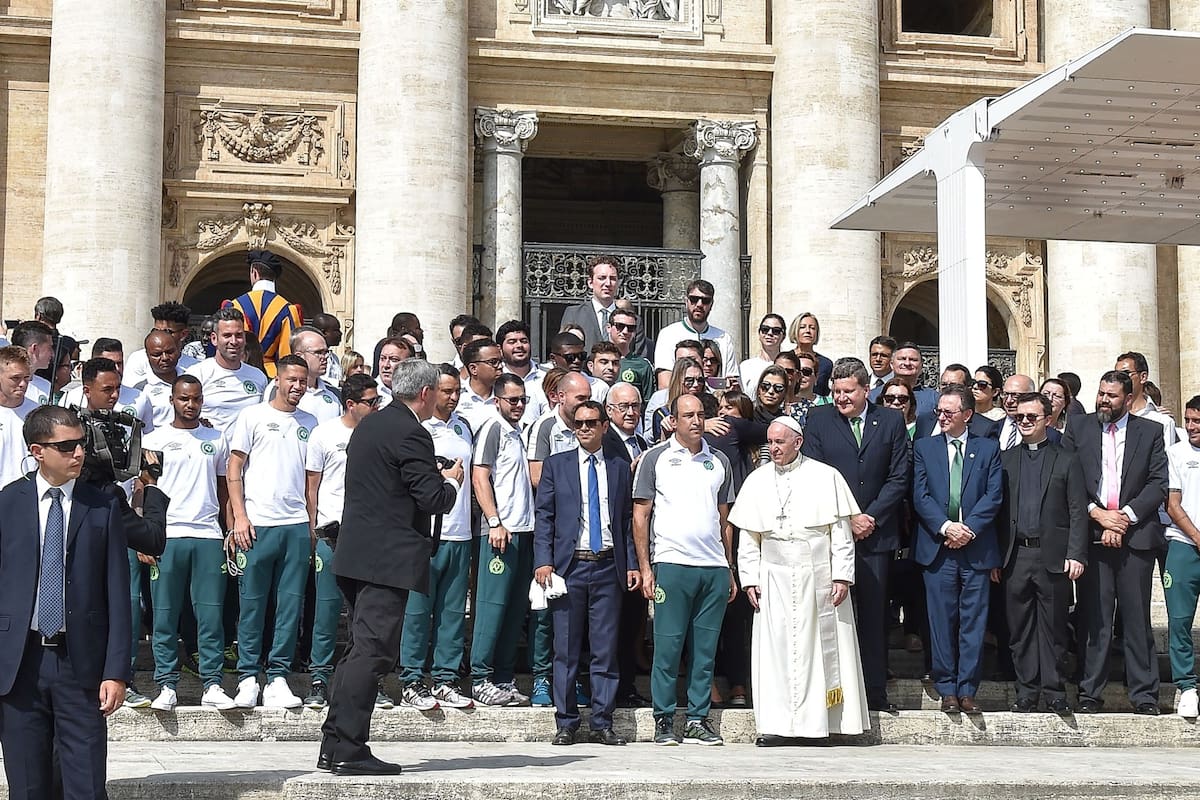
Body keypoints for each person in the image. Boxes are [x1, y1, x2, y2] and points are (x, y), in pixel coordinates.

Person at [319, 359, 462, 776]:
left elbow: (392, 482)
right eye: (437, 390)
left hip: (357, 551)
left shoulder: (371, 424)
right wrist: (450, 480)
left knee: (358, 650)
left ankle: (334, 743)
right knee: (374, 651)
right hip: (384, 557)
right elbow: (431, 498)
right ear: (425, 394)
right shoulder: (411, 432)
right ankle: (348, 747)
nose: (439, 397)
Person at [0, 405, 129, 800]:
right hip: (19, 666)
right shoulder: (8, 502)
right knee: (27, 786)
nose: (79, 453)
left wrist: (116, 670)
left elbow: (119, 593)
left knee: (86, 785)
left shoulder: (101, 505)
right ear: (38, 451)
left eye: (82, 444)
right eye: (67, 446)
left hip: (81, 665)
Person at [730, 417, 869, 742]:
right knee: (776, 654)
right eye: (770, 442)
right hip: (773, 578)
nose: (773, 448)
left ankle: (821, 724)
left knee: (817, 652)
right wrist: (750, 579)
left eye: (780, 442)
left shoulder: (826, 476)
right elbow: (749, 538)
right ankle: (777, 726)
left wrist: (841, 576)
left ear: (798, 442)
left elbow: (841, 534)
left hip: (817, 575)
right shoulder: (758, 481)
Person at [801, 358, 910, 713]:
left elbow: (898, 477)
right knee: (831, 616)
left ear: (866, 389)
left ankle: (874, 693)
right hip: (833, 537)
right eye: (835, 392)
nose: (841, 398)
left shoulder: (891, 420)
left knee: (875, 617)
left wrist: (871, 517)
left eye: (848, 391)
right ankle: (833, 697)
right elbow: (814, 475)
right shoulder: (819, 420)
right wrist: (848, 519)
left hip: (876, 538)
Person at [1062, 370, 1168, 715]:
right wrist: (1097, 513)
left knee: (1136, 618)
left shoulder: (1150, 431)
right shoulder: (1079, 428)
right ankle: (1090, 691)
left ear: (1128, 396)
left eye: (1112, 395)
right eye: (1101, 393)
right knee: (1095, 618)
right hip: (1092, 536)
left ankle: (1144, 695)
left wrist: (1123, 517)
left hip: (1135, 537)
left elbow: (1158, 483)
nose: (1104, 400)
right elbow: (1068, 477)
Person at [633, 392, 735, 746]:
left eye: (700, 414)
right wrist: (646, 567)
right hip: (672, 564)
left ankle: (697, 719)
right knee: (668, 646)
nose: (695, 420)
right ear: (672, 421)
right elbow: (640, 515)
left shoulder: (719, 459)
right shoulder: (656, 459)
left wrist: (730, 567)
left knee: (704, 650)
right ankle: (663, 719)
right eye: (687, 415)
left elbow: (725, 519)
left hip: (713, 567)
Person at [534, 400, 639, 746]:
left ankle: (602, 720)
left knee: (605, 648)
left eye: (591, 423)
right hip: (569, 566)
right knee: (565, 648)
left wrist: (633, 564)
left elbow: (625, 520)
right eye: (578, 423)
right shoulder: (556, 465)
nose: (584, 429)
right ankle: (566, 722)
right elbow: (544, 516)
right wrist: (542, 561)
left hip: (609, 564)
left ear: (604, 426)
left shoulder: (619, 466)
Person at [226, 355, 319, 710]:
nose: (297, 387)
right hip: (258, 523)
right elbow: (235, 468)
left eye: (303, 381)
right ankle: (248, 675)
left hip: (295, 524)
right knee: (252, 603)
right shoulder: (253, 416)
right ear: (278, 379)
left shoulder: (310, 422)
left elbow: (313, 480)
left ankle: (278, 675)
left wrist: (310, 527)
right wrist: (239, 517)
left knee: (289, 604)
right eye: (291, 379)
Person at [141, 375, 236, 712]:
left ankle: (212, 683)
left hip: (208, 536)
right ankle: (166, 684)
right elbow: (144, 490)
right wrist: (143, 538)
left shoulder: (216, 438)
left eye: (196, 398)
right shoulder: (155, 439)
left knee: (210, 616)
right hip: (167, 537)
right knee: (165, 615)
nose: (191, 405)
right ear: (172, 400)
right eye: (184, 399)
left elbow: (225, 489)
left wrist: (232, 530)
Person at [911, 385, 1003, 714]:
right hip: (938, 547)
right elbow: (920, 495)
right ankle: (946, 687)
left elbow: (993, 495)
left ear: (967, 414)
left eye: (950, 412)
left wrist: (969, 529)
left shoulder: (988, 448)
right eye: (940, 411)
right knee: (940, 621)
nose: (943, 416)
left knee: (973, 623)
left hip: (975, 548)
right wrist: (946, 527)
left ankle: (968, 689)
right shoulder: (924, 447)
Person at [997, 392, 1088, 714]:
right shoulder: (1005, 459)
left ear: (1047, 420)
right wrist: (996, 558)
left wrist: (1077, 554)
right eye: (1018, 417)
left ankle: (1054, 690)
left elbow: (1078, 510)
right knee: (1019, 630)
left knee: (1054, 629)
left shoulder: (1067, 458)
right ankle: (1026, 691)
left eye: (1031, 417)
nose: (1023, 422)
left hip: (1054, 558)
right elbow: (998, 512)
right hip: (1016, 557)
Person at [396, 366, 477, 711]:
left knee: (452, 611)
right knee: (417, 611)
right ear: (430, 392)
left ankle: (445, 678)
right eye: (446, 391)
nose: (453, 397)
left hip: (460, 531)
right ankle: (411, 679)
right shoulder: (417, 428)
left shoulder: (464, 426)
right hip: (425, 533)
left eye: (457, 390)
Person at [302, 373, 379, 710]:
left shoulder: (378, 435)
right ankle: (319, 677)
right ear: (351, 404)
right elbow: (312, 487)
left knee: (364, 613)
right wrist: (312, 530)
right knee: (327, 609)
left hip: (369, 534)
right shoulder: (325, 434)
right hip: (332, 531)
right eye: (370, 402)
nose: (376, 407)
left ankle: (363, 679)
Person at [470, 373, 537, 707]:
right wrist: (494, 520)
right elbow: (480, 476)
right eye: (513, 400)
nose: (519, 405)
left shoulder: (519, 432)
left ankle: (503, 677)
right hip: (499, 532)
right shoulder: (492, 428)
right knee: (492, 607)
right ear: (497, 400)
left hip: (524, 530)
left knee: (514, 609)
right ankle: (480, 677)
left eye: (523, 399)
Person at [1164, 395, 1200, 719]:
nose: (1190, 427)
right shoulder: (1176, 453)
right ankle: (1187, 685)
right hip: (1183, 545)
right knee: (1178, 620)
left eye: (1197, 422)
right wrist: (1197, 536)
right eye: (1187, 420)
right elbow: (1172, 504)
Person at [183, 307, 268, 434]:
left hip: (246, 452)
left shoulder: (258, 377)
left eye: (238, 335)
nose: (233, 342)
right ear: (214, 339)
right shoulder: (197, 374)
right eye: (227, 335)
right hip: (209, 450)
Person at [223, 249, 303, 379]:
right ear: (274, 277)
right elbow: (287, 354)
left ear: (254, 273)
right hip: (271, 375)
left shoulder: (234, 305)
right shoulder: (288, 310)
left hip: (237, 372)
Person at [653, 279, 736, 388]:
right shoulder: (668, 334)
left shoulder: (724, 338)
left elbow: (732, 381)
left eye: (705, 300)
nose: (699, 304)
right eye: (694, 299)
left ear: (711, 304)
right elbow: (665, 383)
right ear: (686, 301)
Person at [61, 339, 155, 433]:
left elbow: (148, 435)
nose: (117, 369)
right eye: (110, 364)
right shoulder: (70, 398)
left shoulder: (141, 399)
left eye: (119, 363)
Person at [268, 326, 341, 424]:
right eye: (318, 352)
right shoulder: (279, 388)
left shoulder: (333, 393)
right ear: (299, 356)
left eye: (326, 352)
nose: (324, 357)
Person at [122, 301, 199, 388]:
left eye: (167, 332)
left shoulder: (195, 366)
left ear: (183, 334)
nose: (160, 336)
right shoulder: (138, 359)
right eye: (157, 331)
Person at [913, 365, 999, 441]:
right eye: (944, 384)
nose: (947, 389)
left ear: (968, 388)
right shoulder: (924, 420)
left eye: (953, 385)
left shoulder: (985, 427)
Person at [1116, 351, 1178, 450]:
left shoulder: (1162, 421)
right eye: (1116, 375)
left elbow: (1166, 461)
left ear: (1143, 377)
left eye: (1125, 373)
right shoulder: (1112, 418)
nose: (1120, 379)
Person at [558, 255, 621, 350]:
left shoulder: (631, 321)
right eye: (602, 278)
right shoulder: (574, 314)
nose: (608, 283)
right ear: (590, 283)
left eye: (612, 278)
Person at [0, 346, 39, 487]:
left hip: (27, 494)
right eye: (15, 378)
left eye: (26, 378)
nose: (22, 384)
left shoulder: (38, 414)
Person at [498, 319, 548, 428]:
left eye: (524, 341)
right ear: (500, 348)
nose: (519, 345)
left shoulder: (545, 377)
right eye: (512, 342)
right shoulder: (496, 379)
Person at [131, 330, 183, 429]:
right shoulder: (140, 390)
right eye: (157, 354)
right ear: (147, 355)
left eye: (169, 352)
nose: (165, 358)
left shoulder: (194, 378)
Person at [869, 342, 937, 417]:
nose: (907, 363)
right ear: (891, 364)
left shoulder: (934, 398)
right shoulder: (873, 396)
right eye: (902, 359)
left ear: (921, 365)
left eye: (913, 359)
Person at [608, 306, 654, 407]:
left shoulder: (643, 365)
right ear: (608, 328)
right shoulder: (595, 360)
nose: (625, 331)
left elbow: (648, 403)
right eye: (620, 326)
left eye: (630, 328)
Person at [650, 357, 706, 442]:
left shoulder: (713, 407)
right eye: (689, 380)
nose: (696, 384)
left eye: (700, 380)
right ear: (678, 381)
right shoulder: (663, 413)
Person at [458, 338, 501, 434]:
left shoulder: (507, 395)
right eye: (493, 362)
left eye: (500, 361)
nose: (500, 366)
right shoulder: (457, 396)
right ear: (473, 369)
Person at [787, 312, 832, 397]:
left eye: (812, 328)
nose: (808, 331)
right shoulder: (786, 359)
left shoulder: (826, 364)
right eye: (802, 327)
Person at [11, 321, 56, 405]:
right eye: (50, 347)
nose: (52, 354)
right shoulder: (5, 384)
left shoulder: (47, 386)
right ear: (34, 348)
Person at [739, 314, 787, 392]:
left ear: (783, 336)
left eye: (776, 331)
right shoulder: (746, 366)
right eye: (765, 329)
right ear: (759, 334)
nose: (770, 333)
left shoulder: (787, 365)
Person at [375, 336, 414, 409]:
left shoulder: (417, 395)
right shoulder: (368, 393)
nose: (386, 365)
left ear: (409, 364)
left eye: (394, 359)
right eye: (382, 358)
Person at [311, 313, 345, 386]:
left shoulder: (334, 358)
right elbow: (312, 378)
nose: (340, 334)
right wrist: (339, 383)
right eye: (336, 330)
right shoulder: (311, 356)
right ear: (323, 332)